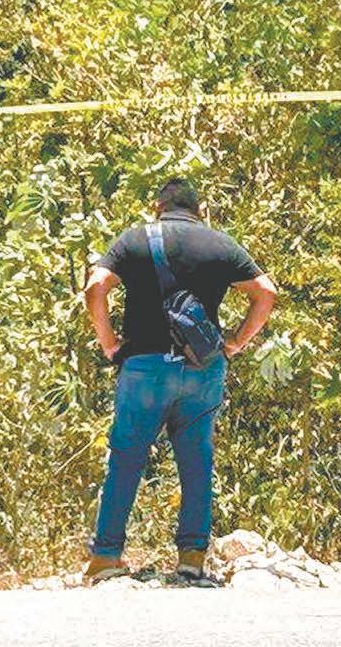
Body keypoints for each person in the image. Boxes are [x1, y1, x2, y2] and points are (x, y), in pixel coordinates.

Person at [83, 179, 277, 582]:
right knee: (196, 460)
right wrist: (236, 342)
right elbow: (265, 292)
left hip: (144, 367)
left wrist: (108, 342)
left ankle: (106, 556)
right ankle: (191, 557)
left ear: (157, 206)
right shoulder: (220, 244)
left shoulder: (134, 240)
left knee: (126, 458)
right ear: (199, 210)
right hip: (203, 368)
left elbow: (96, 286)